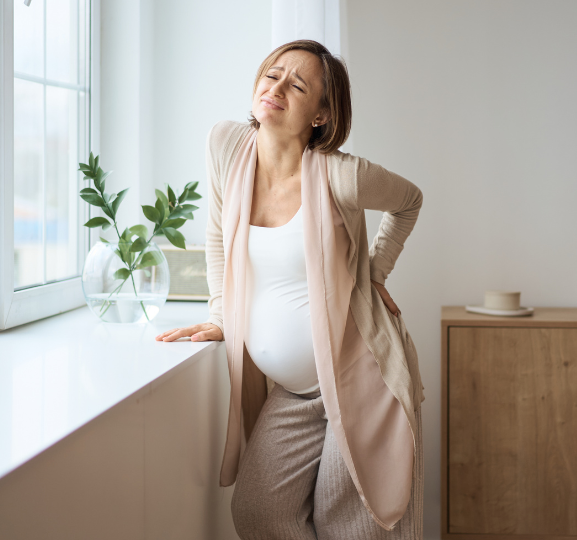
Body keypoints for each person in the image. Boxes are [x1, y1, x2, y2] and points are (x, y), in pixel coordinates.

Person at [155, 39, 424, 539]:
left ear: (321, 115)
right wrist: (220, 315)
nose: (276, 87)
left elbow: (409, 200)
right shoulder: (226, 146)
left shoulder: (342, 176)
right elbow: (218, 235)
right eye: (272, 73)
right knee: (260, 513)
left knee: (347, 525)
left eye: (296, 85)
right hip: (296, 392)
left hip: (360, 380)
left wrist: (374, 273)